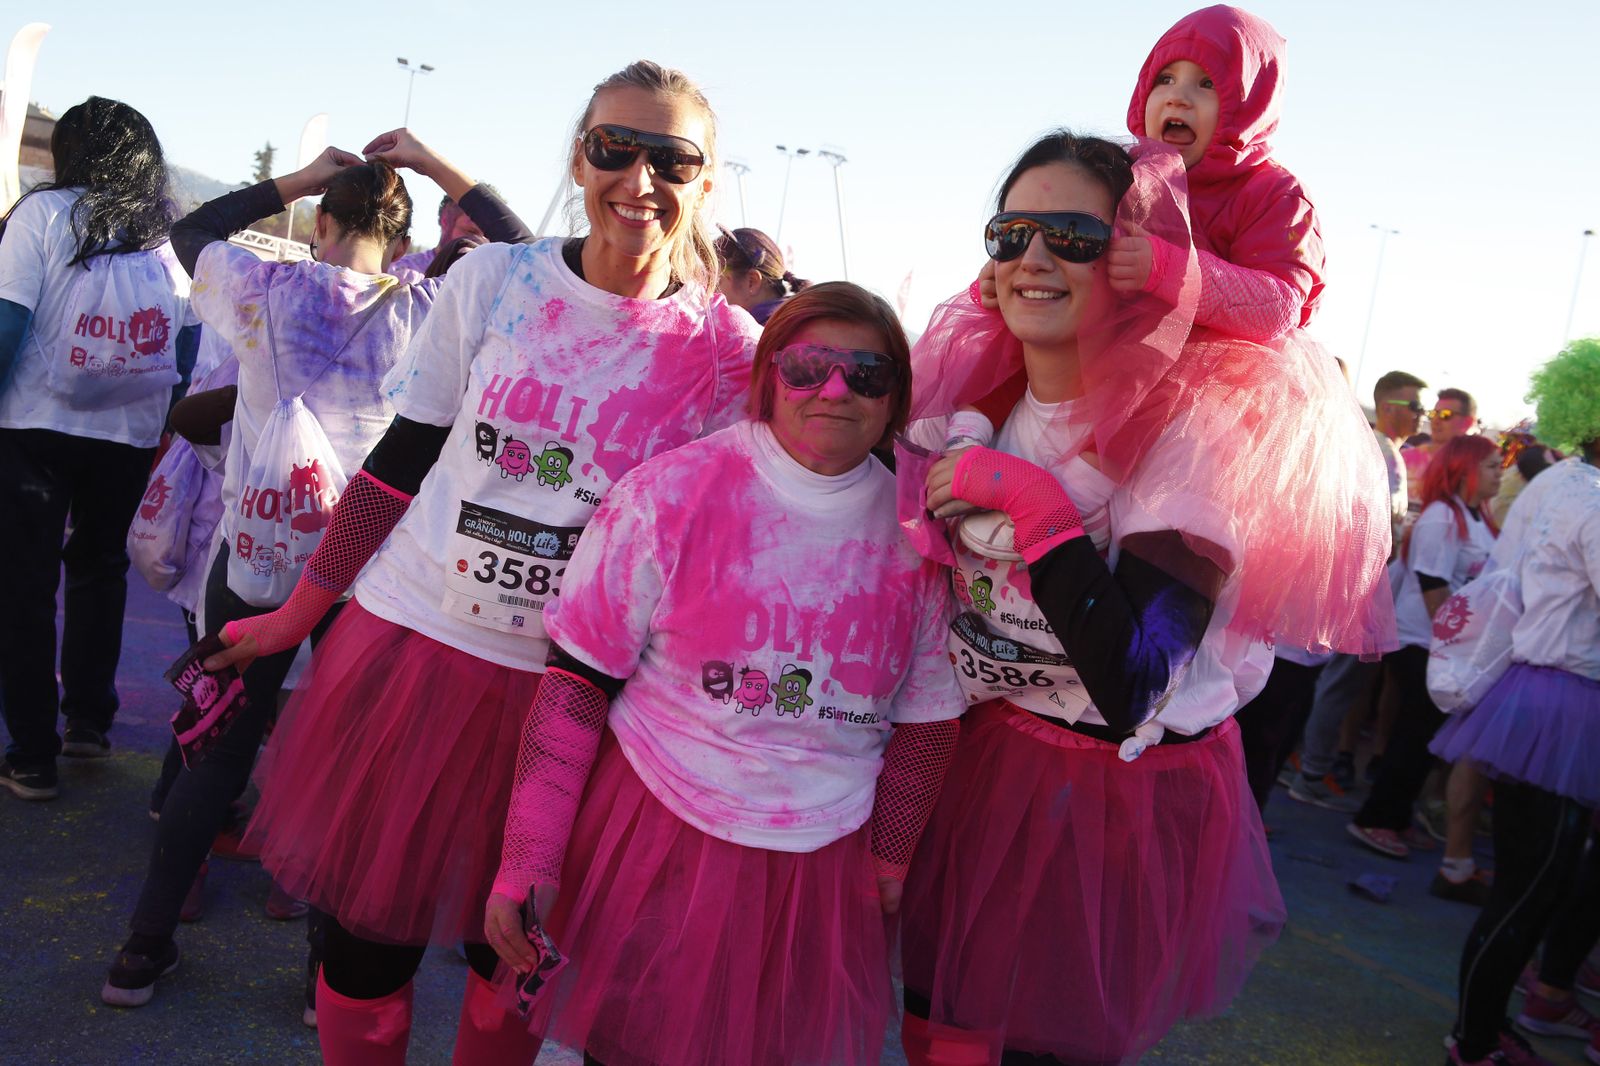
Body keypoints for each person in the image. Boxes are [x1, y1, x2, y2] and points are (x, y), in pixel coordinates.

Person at [189, 60, 757, 1064]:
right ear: (579, 159)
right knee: (368, 943)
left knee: (518, 955)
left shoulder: (728, 350)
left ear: (706, 182)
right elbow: (397, 468)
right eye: (613, 148)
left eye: (671, 158)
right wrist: (293, 616)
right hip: (417, 650)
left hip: (579, 698)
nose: (638, 177)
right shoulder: (497, 281)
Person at [896, 130, 1391, 1065]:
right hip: (980, 766)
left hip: (1096, 807)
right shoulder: (985, 394)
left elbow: (1136, 677)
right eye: (1013, 232)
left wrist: (1034, 503)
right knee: (937, 1032)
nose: (1035, 257)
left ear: (1137, 265)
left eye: (1076, 236)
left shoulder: (1191, 430)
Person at [102, 133, 531, 1010]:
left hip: (253, 558)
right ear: (400, 233)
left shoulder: (265, 287)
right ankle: (318, 975)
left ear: (325, 220)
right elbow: (523, 253)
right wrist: (438, 162)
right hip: (365, 570)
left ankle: (142, 950)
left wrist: (297, 178)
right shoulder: (429, 305)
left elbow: (195, 234)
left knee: (214, 750)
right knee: (344, 773)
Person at [485, 282, 963, 1066]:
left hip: (821, 859)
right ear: (770, 374)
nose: (835, 390)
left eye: (866, 374)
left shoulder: (918, 533)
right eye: (809, 366)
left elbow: (927, 720)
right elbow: (575, 685)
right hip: (657, 829)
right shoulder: (670, 492)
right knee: (622, 1045)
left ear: (895, 398)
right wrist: (529, 854)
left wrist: (890, 857)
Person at [0, 96, 197, 800]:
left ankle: (30, 752)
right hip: (127, 432)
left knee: (23, 587)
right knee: (98, 570)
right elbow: (187, 338)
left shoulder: (45, 215)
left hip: (35, 424)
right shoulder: (165, 234)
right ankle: (88, 719)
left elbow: (8, 322)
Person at [1429, 338, 1600, 1066]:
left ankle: (1484, 1026)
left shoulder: (1560, 485)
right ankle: (1473, 1040)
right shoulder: (1588, 498)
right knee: (1530, 890)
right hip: (1562, 705)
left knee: (1534, 884)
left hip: (1543, 699)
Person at [1345, 434, 1501, 862]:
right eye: (1490, 466)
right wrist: (1456, 648)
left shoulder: (1477, 517)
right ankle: (1375, 819)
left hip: (1445, 646)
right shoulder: (1441, 518)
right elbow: (1433, 586)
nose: (1499, 473)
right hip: (1422, 642)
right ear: (1464, 468)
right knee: (1413, 736)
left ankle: (1395, 817)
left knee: (1424, 738)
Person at [1289, 369, 1429, 810]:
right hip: (1362, 586)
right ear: (1389, 407)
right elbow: (1370, 522)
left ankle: (1308, 762)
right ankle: (1309, 771)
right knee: (1339, 681)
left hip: (1369, 584)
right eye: (1418, 407)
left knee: (1343, 681)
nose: (1424, 416)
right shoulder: (1377, 450)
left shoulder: (1391, 451)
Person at [1405, 387, 1479, 521]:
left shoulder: (1478, 471)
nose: (1436, 420)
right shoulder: (1404, 459)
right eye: (1434, 414)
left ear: (1467, 422)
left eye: (1445, 414)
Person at [714, 225, 807, 324]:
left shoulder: (766, 335)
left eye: (717, 282)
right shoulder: (795, 322)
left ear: (752, 282)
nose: (709, 293)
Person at [388, 190, 488, 281]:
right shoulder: (401, 274)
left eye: (487, 236)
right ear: (445, 221)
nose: (479, 242)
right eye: (471, 232)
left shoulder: (490, 282)